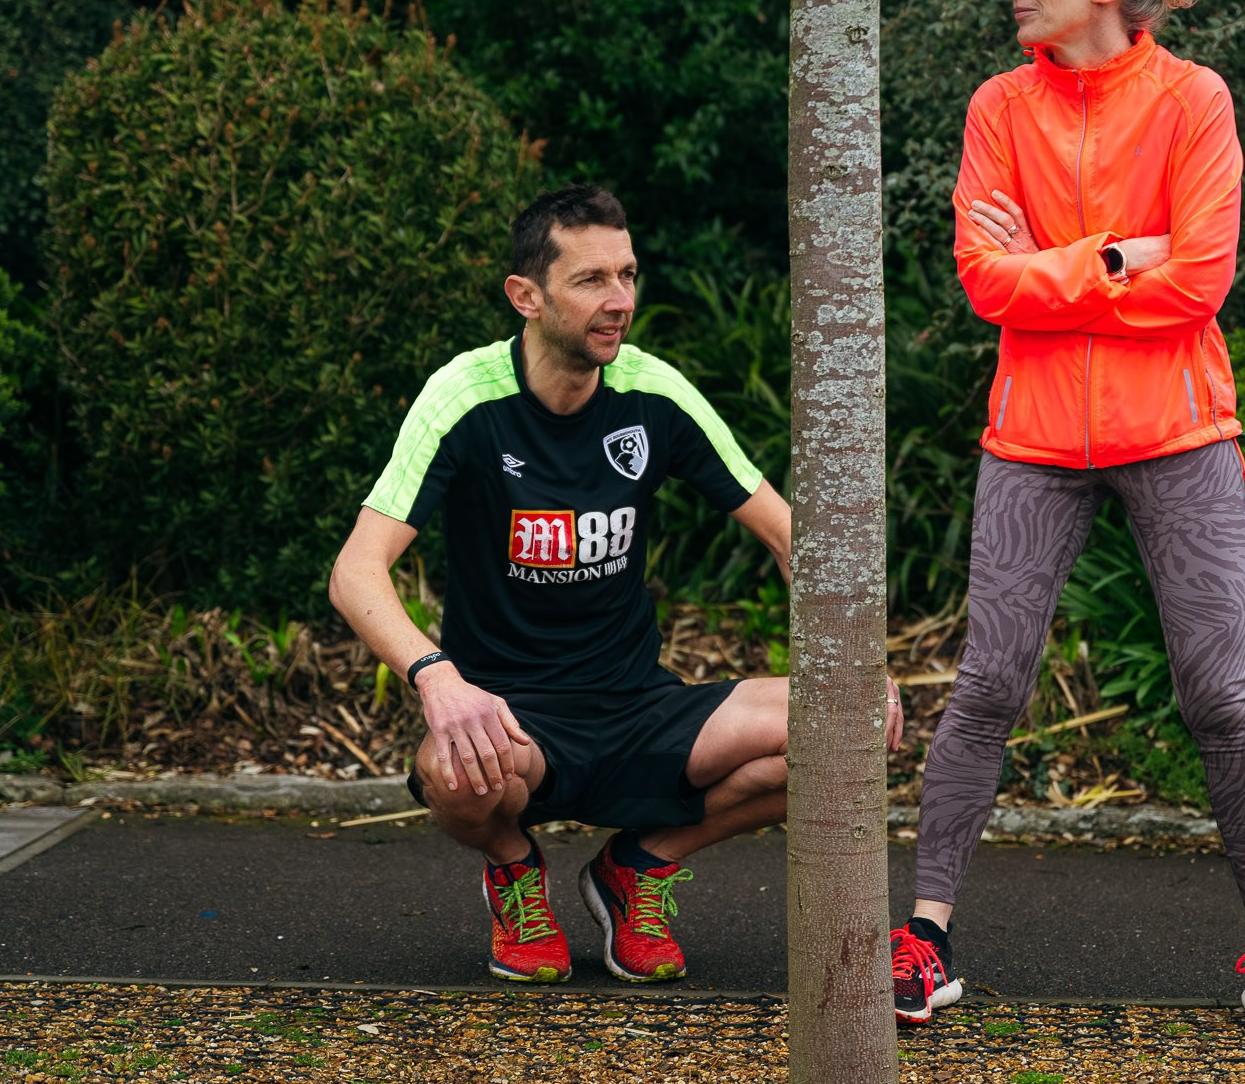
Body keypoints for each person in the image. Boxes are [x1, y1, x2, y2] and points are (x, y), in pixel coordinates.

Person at [887, 0, 1245, 1034]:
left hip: (1180, 435)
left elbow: (1200, 278)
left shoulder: (1194, 101)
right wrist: (1111, 258)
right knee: (987, 683)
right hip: (1031, 437)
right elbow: (982, 282)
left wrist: (1056, 266)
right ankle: (922, 939)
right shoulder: (997, 106)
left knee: (1215, 691)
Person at [330, 184, 905, 984]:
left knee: (855, 727)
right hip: (511, 718)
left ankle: (636, 866)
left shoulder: (653, 392)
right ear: (526, 297)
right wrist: (439, 679)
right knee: (450, 771)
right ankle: (513, 868)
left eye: (627, 275)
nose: (620, 301)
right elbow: (356, 571)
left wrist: (856, 661)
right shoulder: (465, 398)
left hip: (638, 705)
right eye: (592, 280)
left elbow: (790, 534)